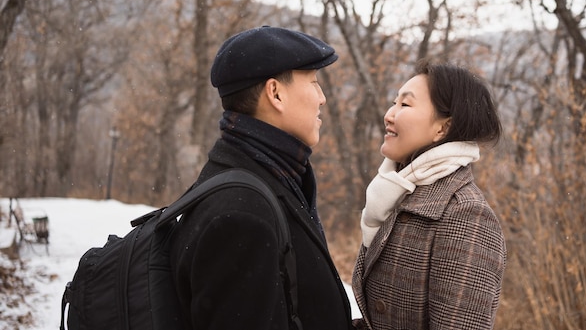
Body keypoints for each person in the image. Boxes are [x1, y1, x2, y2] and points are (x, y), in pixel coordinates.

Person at [170, 26, 353, 330]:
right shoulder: (241, 215)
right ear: (275, 93)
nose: (322, 98)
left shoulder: (266, 178)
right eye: (314, 83)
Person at [351, 59, 506, 330]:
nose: (389, 114)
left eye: (405, 105)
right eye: (394, 102)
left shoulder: (466, 216)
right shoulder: (396, 195)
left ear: (443, 128)